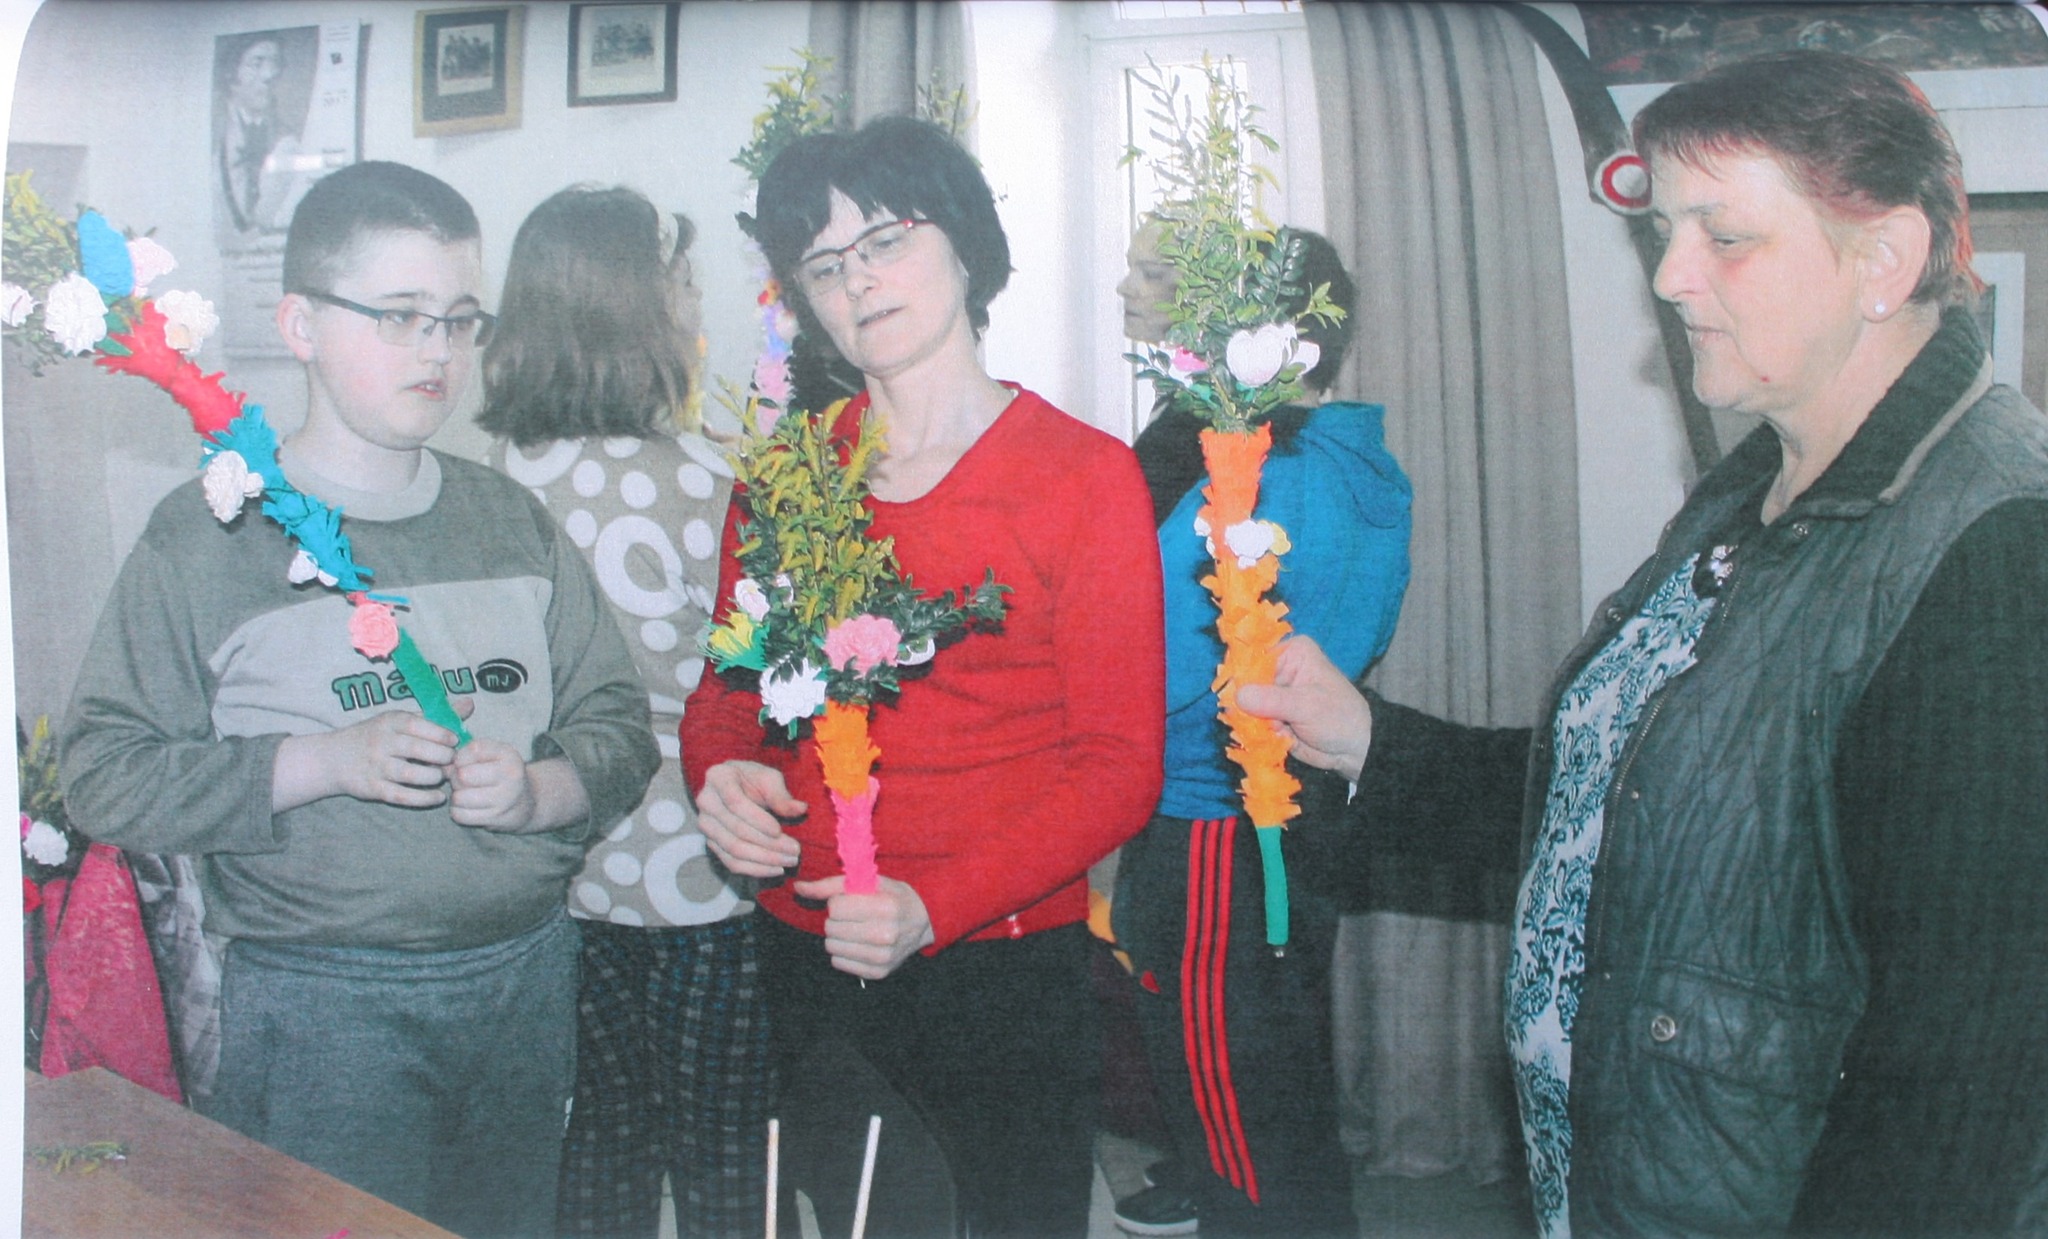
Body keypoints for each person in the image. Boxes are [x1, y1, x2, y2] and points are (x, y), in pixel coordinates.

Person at [1236, 50, 2048, 1236]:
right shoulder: (1758, 477)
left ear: (1881, 260)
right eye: (1664, 230)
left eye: (1725, 236)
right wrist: (1368, 742)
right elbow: (1632, 803)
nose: (1668, 276)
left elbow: (1960, 1078)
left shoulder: (1997, 550)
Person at [61, 161, 659, 1238]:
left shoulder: (511, 522)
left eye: (460, 320)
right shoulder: (205, 537)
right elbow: (105, 775)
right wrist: (324, 762)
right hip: (317, 1006)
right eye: (399, 316)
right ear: (299, 325)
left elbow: (618, 723)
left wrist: (543, 790)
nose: (438, 351)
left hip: (524, 980)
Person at [682, 115, 1166, 1239]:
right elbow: (728, 691)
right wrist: (720, 776)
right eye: (824, 266)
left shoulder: (1082, 477)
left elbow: (1117, 768)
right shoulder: (788, 473)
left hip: (1000, 964)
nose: (858, 281)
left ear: (965, 244)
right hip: (808, 946)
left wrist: (931, 906)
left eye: (886, 240)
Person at [477, 185, 769, 1239]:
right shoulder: (708, 478)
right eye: (681, 283)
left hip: (560, 858)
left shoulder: (499, 478)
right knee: (725, 1151)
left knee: (597, 1142)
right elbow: (760, 675)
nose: (695, 304)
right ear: (632, 308)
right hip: (703, 871)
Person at [1111, 229, 1411, 1239]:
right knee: (1282, 1083)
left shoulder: (1251, 477)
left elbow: (1156, 661)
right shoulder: (1353, 461)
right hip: (1303, 795)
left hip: (1211, 817)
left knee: (1225, 1101)